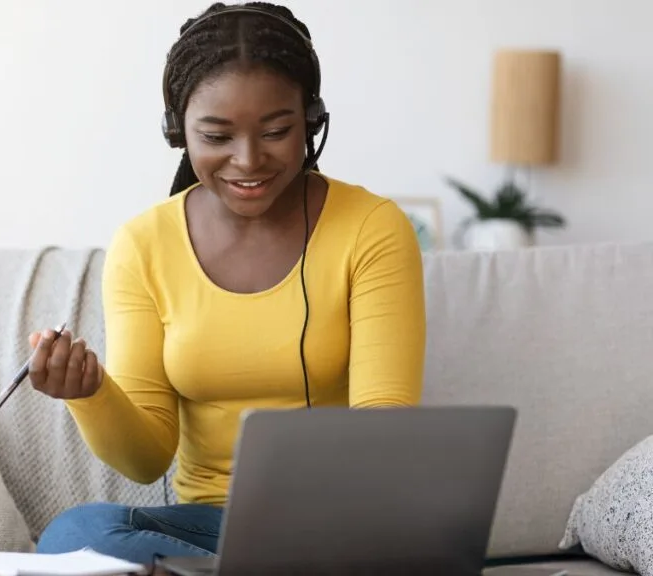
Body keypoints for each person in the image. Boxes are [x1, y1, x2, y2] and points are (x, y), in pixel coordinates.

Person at [27, 1, 426, 565]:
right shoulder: (143, 245)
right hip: (209, 529)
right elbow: (146, 461)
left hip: (340, 523)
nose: (248, 160)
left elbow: (385, 417)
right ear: (177, 131)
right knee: (76, 533)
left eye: (276, 131)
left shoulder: (371, 227)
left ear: (311, 119)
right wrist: (89, 394)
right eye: (216, 136)